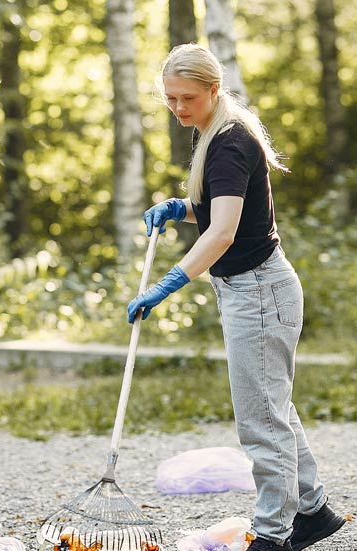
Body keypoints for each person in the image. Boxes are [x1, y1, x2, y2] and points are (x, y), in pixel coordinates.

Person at [127, 44, 346, 551]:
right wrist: (183, 207)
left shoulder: (227, 142)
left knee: (260, 420)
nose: (178, 110)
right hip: (255, 289)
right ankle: (313, 511)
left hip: (260, 294)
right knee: (276, 408)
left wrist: (168, 284)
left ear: (212, 89)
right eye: (170, 100)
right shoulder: (219, 132)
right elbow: (221, 211)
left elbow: (222, 233)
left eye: (186, 98)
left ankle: (272, 533)